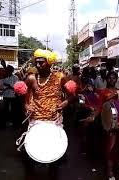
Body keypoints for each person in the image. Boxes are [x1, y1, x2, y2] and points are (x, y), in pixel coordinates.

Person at [18, 49, 76, 177]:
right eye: (36, 62)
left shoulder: (60, 77)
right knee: (31, 152)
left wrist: (64, 103)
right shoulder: (31, 78)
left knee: (54, 154)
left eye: (41, 63)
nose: (38, 65)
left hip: (54, 119)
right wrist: (27, 105)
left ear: (49, 63)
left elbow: (72, 95)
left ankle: (53, 172)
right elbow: (23, 96)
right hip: (36, 119)